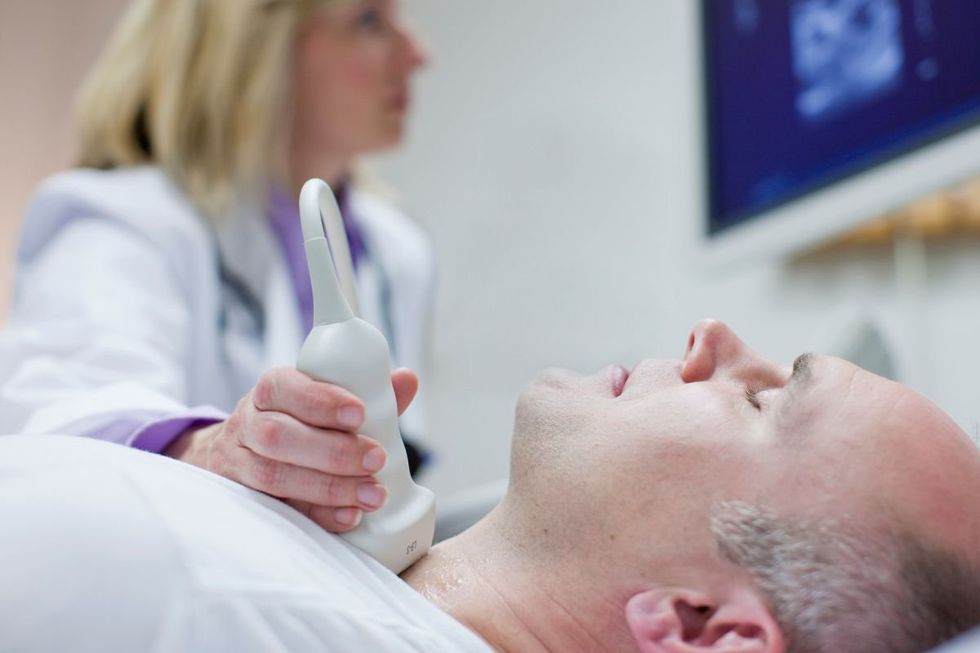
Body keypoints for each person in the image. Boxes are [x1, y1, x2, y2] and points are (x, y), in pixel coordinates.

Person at [2, 319, 979, 652]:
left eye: (764, 402)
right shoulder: (338, 577)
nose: (709, 337)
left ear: (696, 625)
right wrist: (202, 449)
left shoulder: (217, 608)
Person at [0, 0, 433, 533]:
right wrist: (207, 451)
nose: (418, 55)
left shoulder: (395, 253)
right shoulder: (124, 223)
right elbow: (62, 419)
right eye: (368, 22)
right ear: (254, 51)